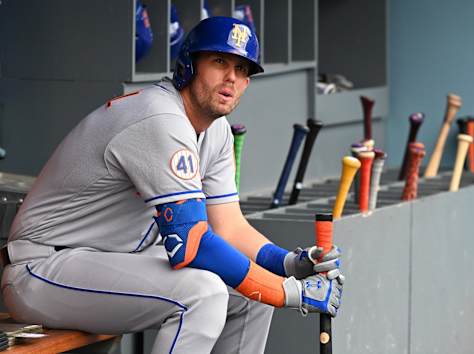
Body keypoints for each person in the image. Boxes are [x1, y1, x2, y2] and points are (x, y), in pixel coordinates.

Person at [1, 16, 344, 353]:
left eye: (242, 70)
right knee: (205, 293)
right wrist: (287, 292)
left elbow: (229, 227)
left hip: (107, 264)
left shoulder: (217, 131)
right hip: (43, 270)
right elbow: (193, 243)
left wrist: (287, 264)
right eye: (220, 61)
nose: (231, 78)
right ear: (189, 65)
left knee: (250, 297)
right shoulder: (159, 117)